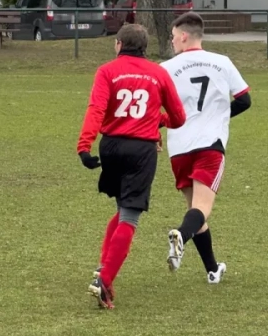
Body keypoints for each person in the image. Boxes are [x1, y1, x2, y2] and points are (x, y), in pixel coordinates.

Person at [77, 24, 186, 309]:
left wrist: (84, 146)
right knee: (130, 216)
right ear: (144, 47)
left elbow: (97, 109)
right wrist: (157, 120)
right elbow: (178, 117)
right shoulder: (158, 73)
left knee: (122, 209)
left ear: (118, 44)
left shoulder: (107, 71)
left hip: (111, 146)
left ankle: (103, 268)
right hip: (141, 151)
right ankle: (104, 280)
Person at [160, 13, 251, 285]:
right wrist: (218, 116)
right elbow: (244, 100)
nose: (172, 41)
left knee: (194, 209)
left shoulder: (165, 68)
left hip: (179, 147)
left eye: (173, 36)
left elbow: (154, 108)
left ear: (184, 36)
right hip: (209, 145)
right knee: (201, 209)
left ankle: (212, 270)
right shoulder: (222, 62)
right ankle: (180, 235)